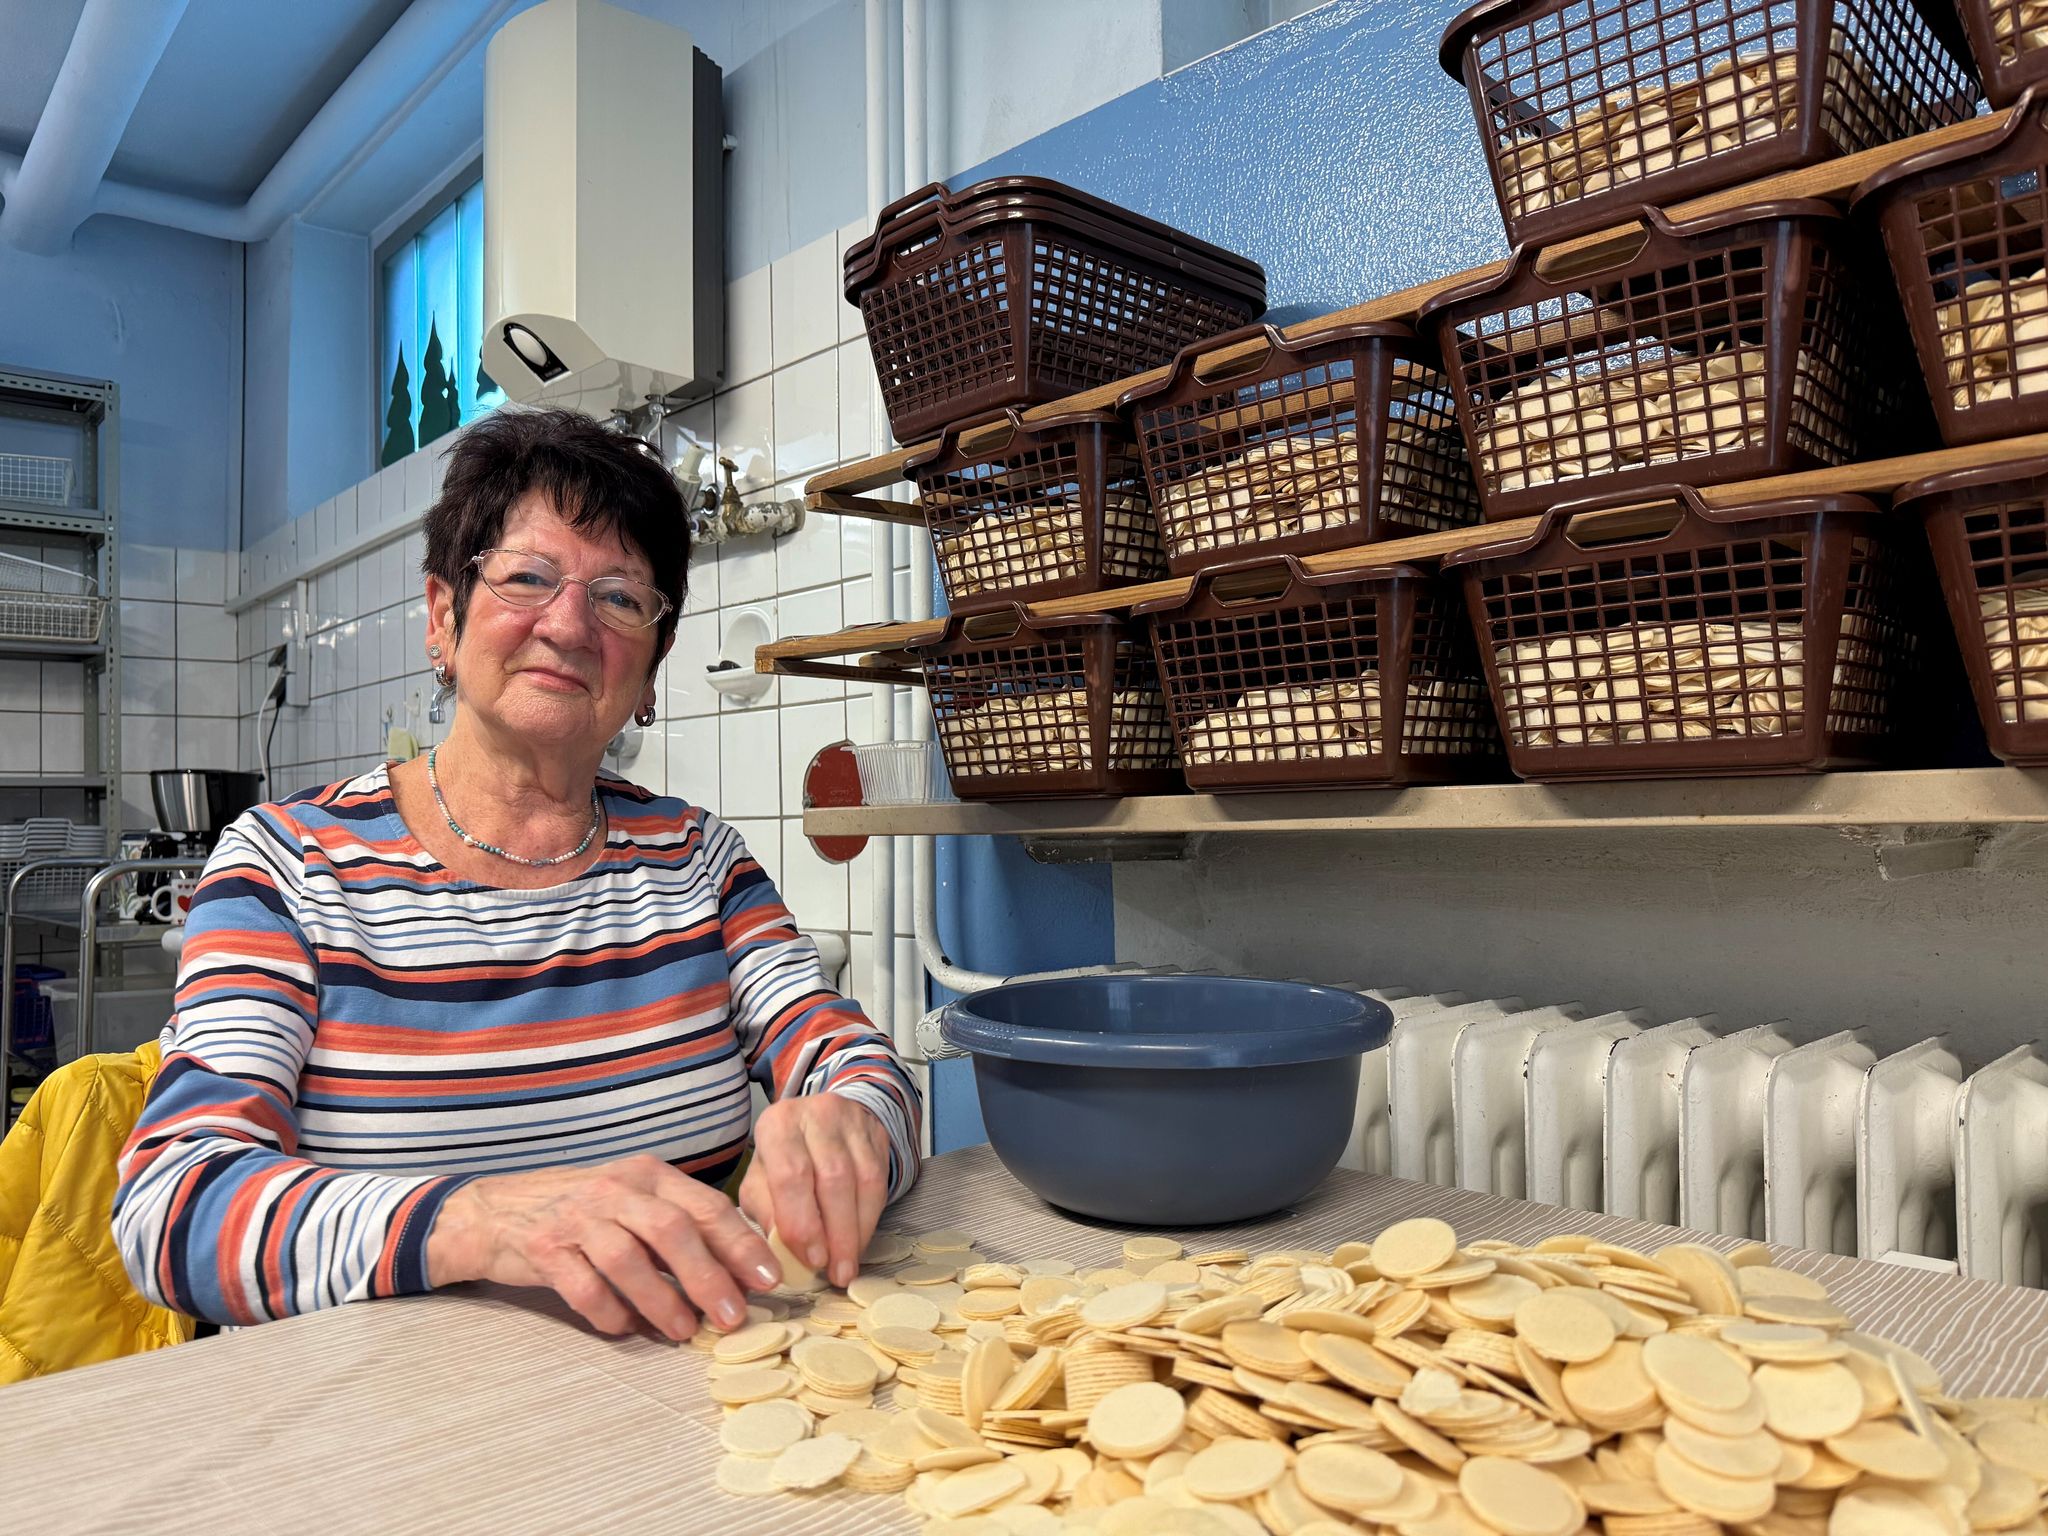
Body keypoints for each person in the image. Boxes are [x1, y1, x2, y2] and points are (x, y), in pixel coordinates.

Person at [113, 407, 920, 1341]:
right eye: (527, 578)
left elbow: (860, 1065)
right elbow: (173, 1210)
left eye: (621, 598)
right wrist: (480, 1223)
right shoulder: (288, 865)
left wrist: (851, 1126)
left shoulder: (701, 862)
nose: (570, 624)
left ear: (652, 669)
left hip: (673, 1407)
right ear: (443, 618)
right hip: (377, 1427)